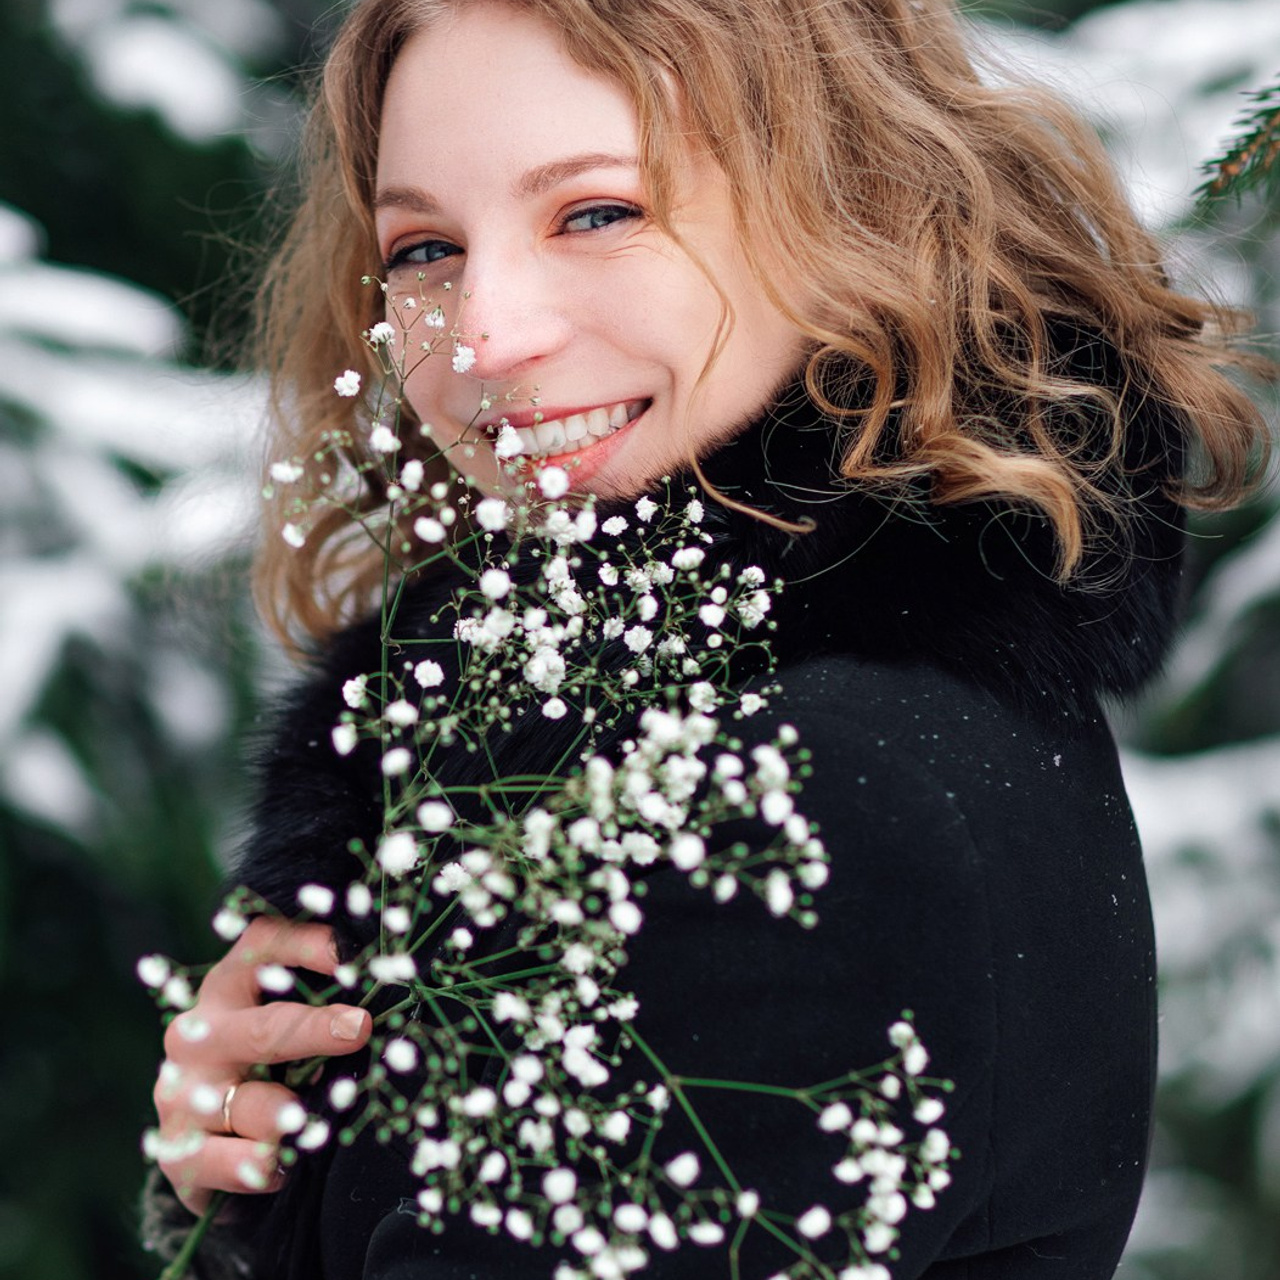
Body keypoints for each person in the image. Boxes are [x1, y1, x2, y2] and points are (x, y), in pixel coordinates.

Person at [141, 0, 1269, 1277]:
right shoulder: (665, 731)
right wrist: (244, 1185)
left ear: (846, 201)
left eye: (597, 212)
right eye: (424, 250)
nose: (487, 335)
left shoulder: (811, 797)